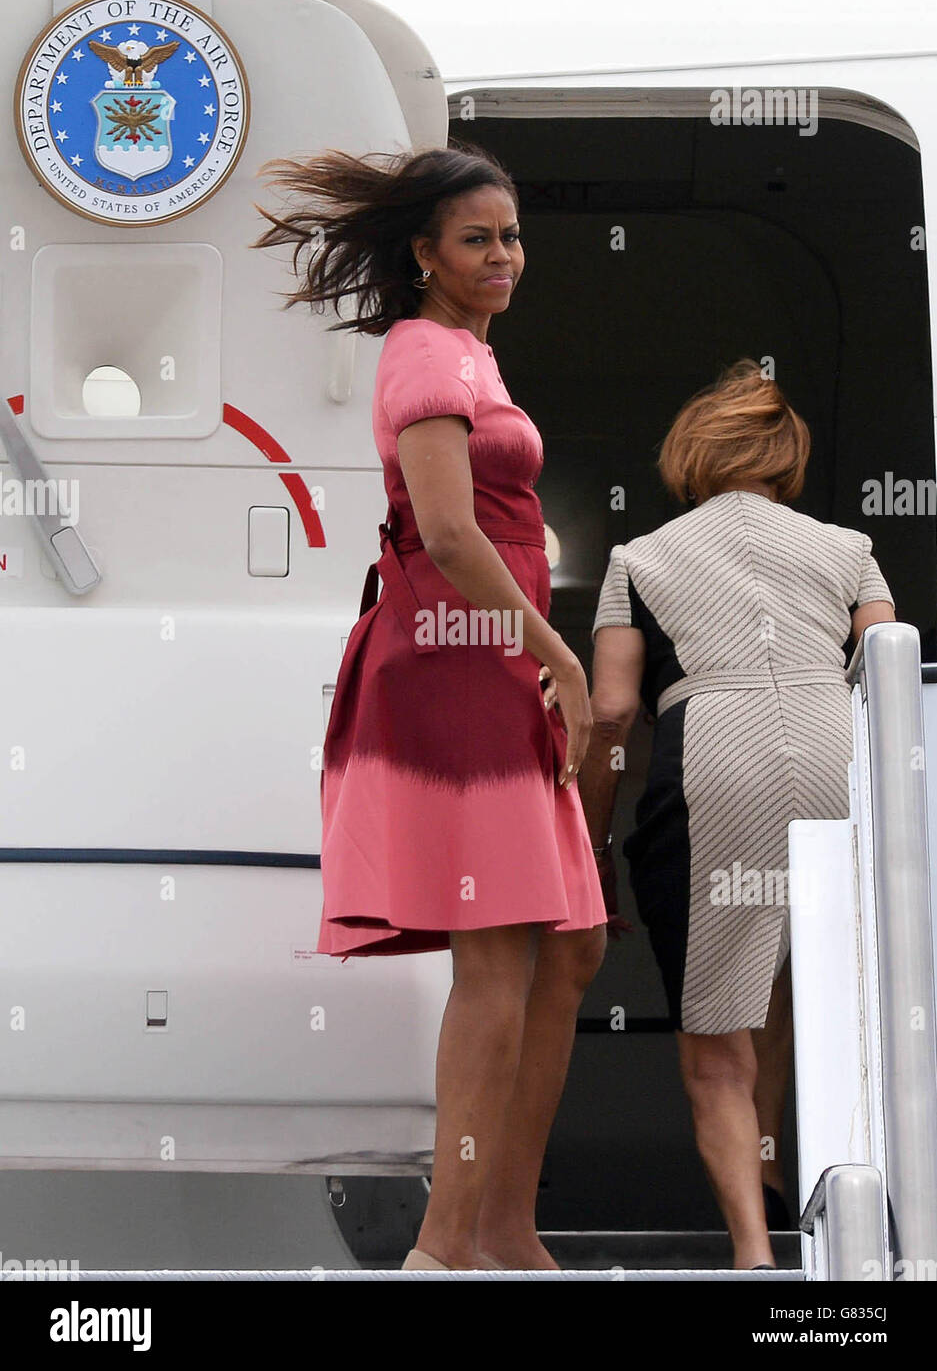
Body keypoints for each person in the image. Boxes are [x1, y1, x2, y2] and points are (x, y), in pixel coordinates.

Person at [251, 141, 608, 1272]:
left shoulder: (467, 357)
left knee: (573, 949)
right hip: (458, 667)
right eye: (476, 239)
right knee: (500, 961)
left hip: (491, 663)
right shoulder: (421, 353)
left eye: (510, 236)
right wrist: (559, 652)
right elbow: (450, 535)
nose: (502, 255)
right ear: (423, 255)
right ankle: (449, 1247)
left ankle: (503, 1225)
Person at [577, 360, 896, 1269]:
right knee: (812, 997)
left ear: (691, 454)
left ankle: (755, 1258)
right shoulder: (847, 548)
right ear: (785, 457)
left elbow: (606, 712)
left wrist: (594, 843)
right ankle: (838, 1240)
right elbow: (887, 661)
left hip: (712, 761)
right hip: (837, 752)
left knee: (719, 1037)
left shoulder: (639, 559)